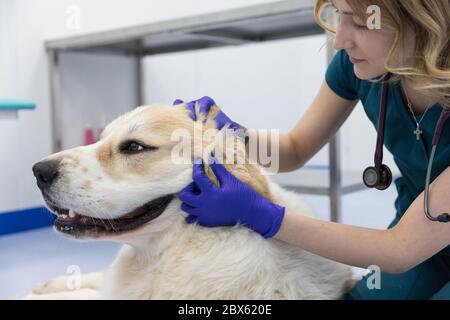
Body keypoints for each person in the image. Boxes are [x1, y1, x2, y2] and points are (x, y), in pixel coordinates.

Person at [174, 0, 450, 300]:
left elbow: (400, 250)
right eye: (340, 16)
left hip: (408, 242)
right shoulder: (358, 66)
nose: (340, 40)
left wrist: (264, 216)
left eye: (359, 22)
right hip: (421, 237)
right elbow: (294, 150)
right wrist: (233, 135)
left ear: (422, 21)